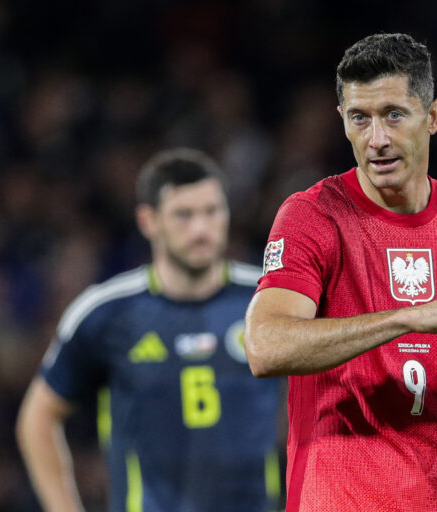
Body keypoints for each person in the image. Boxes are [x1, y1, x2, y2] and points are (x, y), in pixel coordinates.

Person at [244, 33, 437, 511]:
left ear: (432, 116)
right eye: (360, 118)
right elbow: (265, 347)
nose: (377, 139)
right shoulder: (312, 216)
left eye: (394, 114)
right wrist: (407, 318)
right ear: (343, 123)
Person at [16, 148, 283, 512]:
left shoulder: (270, 299)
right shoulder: (106, 312)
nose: (202, 228)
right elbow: (38, 418)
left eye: (212, 211)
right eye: (183, 215)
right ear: (148, 220)